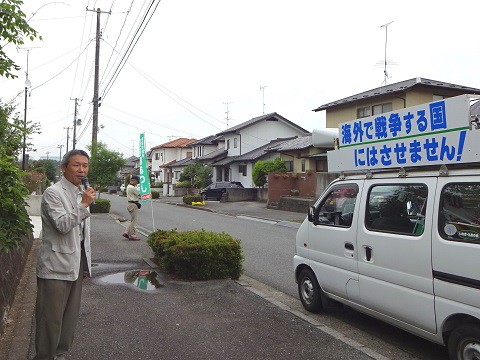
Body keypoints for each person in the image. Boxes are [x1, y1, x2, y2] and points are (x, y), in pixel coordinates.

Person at [33, 149, 96, 360]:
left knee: (69, 319)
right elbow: (62, 225)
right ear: (64, 167)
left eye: (85, 166)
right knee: (50, 321)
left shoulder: (81, 193)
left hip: (75, 262)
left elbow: (82, 234)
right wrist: (84, 204)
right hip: (54, 266)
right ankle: (44, 357)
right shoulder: (54, 193)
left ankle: (59, 355)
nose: (82, 170)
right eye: (76, 165)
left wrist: (86, 264)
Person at [123, 175, 141, 241]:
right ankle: (133, 235)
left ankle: (126, 232)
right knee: (134, 221)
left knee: (132, 220)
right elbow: (139, 193)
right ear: (133, 180)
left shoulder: (129, 186)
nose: (137, 183)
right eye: (137, 181)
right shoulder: (132, 188)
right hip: (133, 204)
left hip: (130, 204)